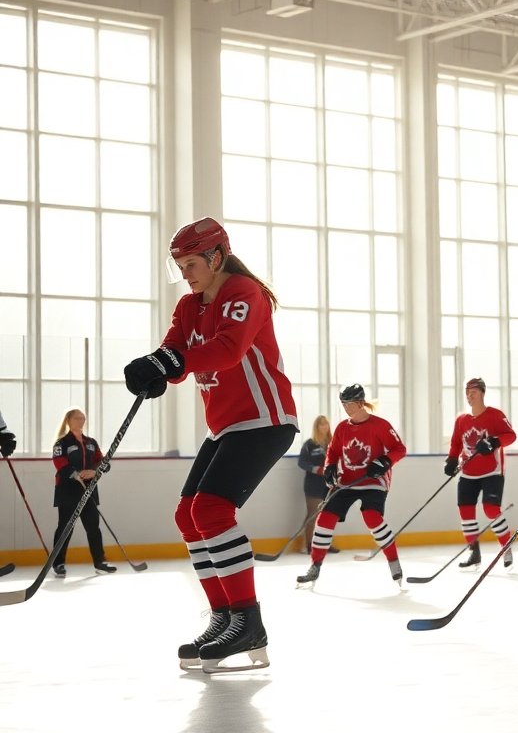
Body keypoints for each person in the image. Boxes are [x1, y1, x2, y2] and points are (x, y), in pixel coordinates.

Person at [123, 216, 299, 673]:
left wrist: (173, 361)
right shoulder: (187, 305)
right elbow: (175, 352)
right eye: (179, 265)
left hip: (264, 419)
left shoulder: (245, 293)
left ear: (217, 255)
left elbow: (227, 350)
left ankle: (248, 621)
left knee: (212, 511)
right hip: (225, 426)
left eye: (192, 262)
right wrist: (155, 369)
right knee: (188, 515)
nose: (186, 272)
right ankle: (225, 617)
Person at [297, 384, 407, 586]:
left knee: (372, 517)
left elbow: (399, 449)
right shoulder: (341, 427)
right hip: (347, 482)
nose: (346, 408)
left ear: (360, 403)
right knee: (324, 519)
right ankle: (315, 566)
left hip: (374, 481)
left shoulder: (380, 425)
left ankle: (394, 562)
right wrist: (330, 467)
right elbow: (333, 451)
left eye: (349, 404)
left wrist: (385, 461)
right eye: (343, 404)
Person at [445, 378, 518, 570]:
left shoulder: (494, 415)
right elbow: (455, 443)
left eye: (474, 392)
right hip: (468, 472)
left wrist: (494, 441)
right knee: (465, 512)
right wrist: (451, 460)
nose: (470, 395)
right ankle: (474, 553)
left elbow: (511, 435)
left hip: (492, 471)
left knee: (490, 509)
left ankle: (506, 548)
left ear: (483, 393)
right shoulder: (461, 419)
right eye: (467, 392)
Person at [49, 408, 115, 578]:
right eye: (77, 418)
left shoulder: (91, 442)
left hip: (90, 490)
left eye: (83, 418)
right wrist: (75, 475)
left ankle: (100, 562)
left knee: (93, 526)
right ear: (69, 420)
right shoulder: (62, 443)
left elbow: (103, 462)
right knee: (65, 527)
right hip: (68, 490)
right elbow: (59, 462)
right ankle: (58, 563)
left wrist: (94, 471)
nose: (81, 421)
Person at [295, 415, 336, 555]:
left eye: (326, 424)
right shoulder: (309, 444)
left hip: (330, 486)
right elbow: (302, 462)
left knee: (328, 516)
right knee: (313, 515)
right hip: (313, 485)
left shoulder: (333, 442)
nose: (324, 427)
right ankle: (309, 545)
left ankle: (324, 545)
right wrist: (317, 469)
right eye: (321, 424)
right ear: (316, 427)